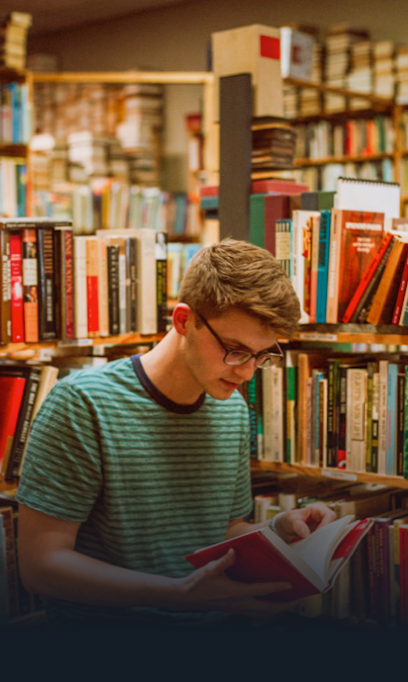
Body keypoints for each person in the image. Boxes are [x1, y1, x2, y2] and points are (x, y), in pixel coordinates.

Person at [17, 238, 336, 631]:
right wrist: (176, 593)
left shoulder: (230, 408)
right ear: (183, 320)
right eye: (234, 350)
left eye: (262, 355)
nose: (247, 372)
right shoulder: (83, 403)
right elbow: (40, 565)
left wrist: (278, 532)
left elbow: (224, 530)